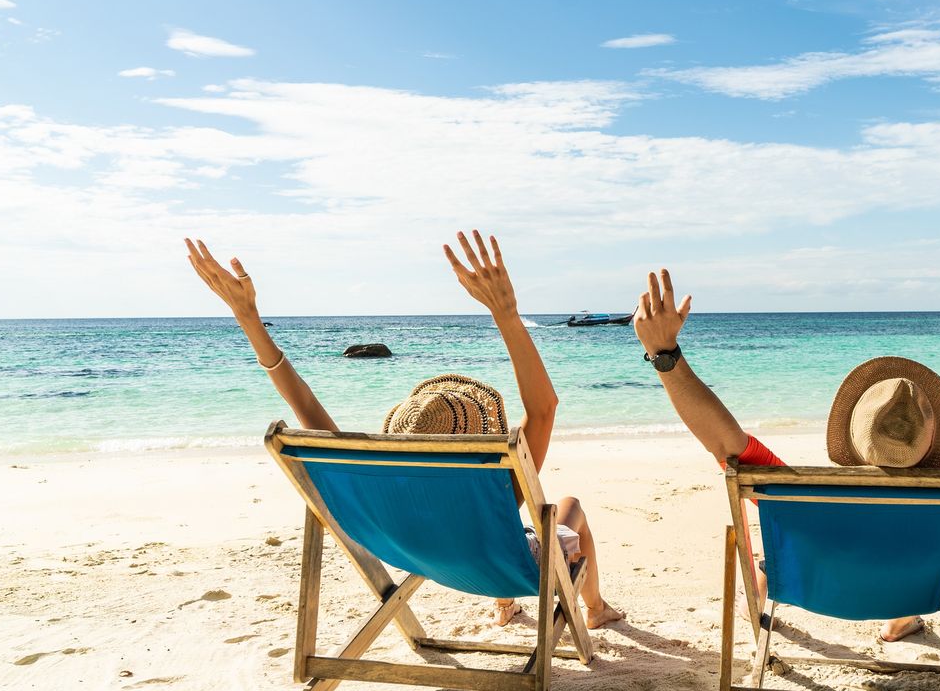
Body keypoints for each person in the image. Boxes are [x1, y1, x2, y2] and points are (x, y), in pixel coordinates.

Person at [630, 217, 940, 641]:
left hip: (815, 592)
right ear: (930, 437)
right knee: (908, 555)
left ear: (852, 433)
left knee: (773, 552)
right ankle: (903, 613)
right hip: (914, 584)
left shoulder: (792, 492)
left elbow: (721, 438)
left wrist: (666, 356)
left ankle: (776, 576)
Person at [185, 231, 623, 629]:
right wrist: (506, 314)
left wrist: (247, 318)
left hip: (418, 557)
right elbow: (543, 408)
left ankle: (505, 607)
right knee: (566, 508)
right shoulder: (496, 482)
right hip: (500, 563)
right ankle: (596, 607)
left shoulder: (369, 471)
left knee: (498, 530)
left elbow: (300, 401)